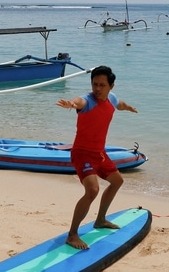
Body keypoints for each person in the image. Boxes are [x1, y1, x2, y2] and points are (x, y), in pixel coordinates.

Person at [56, 65, 138, 250]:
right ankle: (72, 235)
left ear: (111, 86)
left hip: (99, 153)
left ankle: (100, 219)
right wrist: (71, 104)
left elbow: (120, 104)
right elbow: (79, 101)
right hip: (82, 153)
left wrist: (130, 107)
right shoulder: (87, 100)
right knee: (92, 190)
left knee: (117, 181)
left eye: (102, 85)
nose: (97, 89)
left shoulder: (112, 99)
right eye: (94, 84)